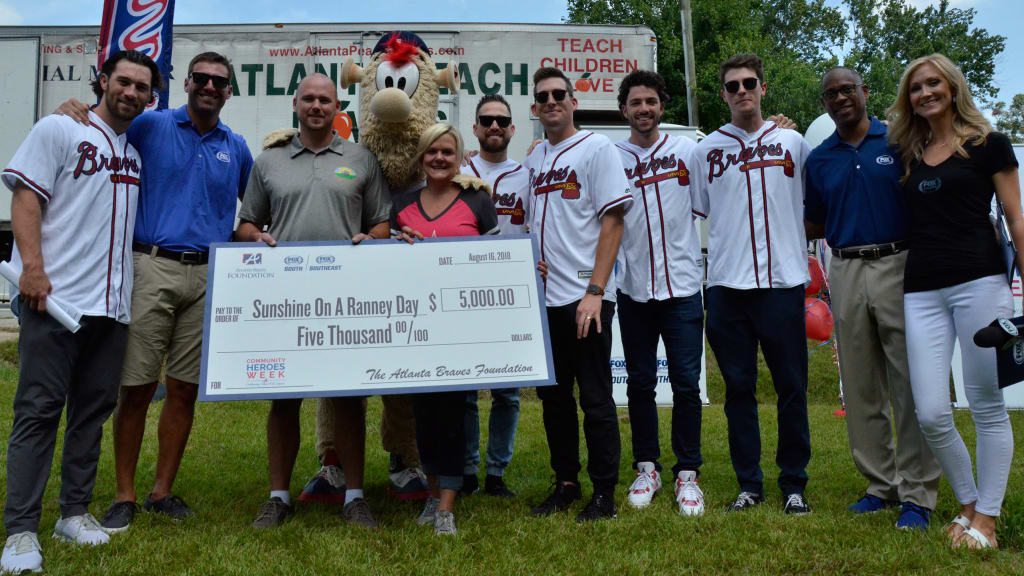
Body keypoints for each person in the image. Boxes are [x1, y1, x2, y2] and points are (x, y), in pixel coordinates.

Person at [57, 51, 254, 531]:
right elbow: (102, 130)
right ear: (185, 83)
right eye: (202, 78)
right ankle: (124, 494)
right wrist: (72, 111)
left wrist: (256, 235)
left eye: (219, 82)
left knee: (184, 389)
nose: (210, 87)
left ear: (229, 91)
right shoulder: (150, 126)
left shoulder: (238, 147)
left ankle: (162, 491)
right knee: (138, 387)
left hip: (208, 275)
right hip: (151, 267)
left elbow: (250, 212)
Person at [0, 50, 159, 574]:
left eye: (142, 87)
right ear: (102, 81)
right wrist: (32, 268)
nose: (131, 92)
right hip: (56, 301)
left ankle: (73, 512)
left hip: (111, 309)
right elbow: (26, 198)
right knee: (39, 414)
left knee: (91, 414)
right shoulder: (59, 128)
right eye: (124, 82)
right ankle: (21, 531)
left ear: (151, 98)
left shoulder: (132, 155)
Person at [236, 74, 390, 530]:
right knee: (283, 398)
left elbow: (381, 222)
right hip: (286, 297)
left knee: (347, 398)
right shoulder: (269, 161)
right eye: (309, 99)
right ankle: (278, 497)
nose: (317, 106)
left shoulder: (361, 158)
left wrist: (370, 237)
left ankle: (355, 496)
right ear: (296, 105)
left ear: (338, 105)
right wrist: (256, 236)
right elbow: (245, 223)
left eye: (325, 99)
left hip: (346, 298)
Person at [888, 53, 1024, 550]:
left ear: (952, 87)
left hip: (981, 283)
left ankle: (986, 518)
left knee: (986, 404)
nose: (925, 93)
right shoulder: (909, 152)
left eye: (933, 84)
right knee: (929, 411)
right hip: (920, 290)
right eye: (916, 87)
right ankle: (967, 502)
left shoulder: (990, 145)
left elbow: (1016, 219)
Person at [804, 66, 941, 530]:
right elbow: (815, 221)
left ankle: (918, 494)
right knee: (861, 385)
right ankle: (880, 485)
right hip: (843, 266)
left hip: (898, 263)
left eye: (847, 89)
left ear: (865, 92)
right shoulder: (820, 158)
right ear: (824, 103)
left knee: (908, 384)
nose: (840, 98)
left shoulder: (901, 140)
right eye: (830, 94)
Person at [691, 53, 812, 515]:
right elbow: (702, 206)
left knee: (792, 388)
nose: (742, 91)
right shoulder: (706, 150)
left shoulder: (793, 141)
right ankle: (749, 483)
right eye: (733, 85)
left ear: (763, 88)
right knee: (739, 390)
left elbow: (807, 200)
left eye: (749, 83)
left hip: (782, 282)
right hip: (726, 285)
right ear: (723, 94)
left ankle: (794, 483)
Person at [525, 67, 632, 522]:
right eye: (543, 97)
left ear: (573, 102)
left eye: (558, 94)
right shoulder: (534, 159)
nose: (551, 101)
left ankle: (604, 492)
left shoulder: (596, 148)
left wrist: (595, 291)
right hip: (546, 299)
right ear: (535, 109)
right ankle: (566, 482)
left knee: (595, 398)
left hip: (585, 298)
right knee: (554, 400)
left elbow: (614, 221)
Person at [392, 122, 499, 534]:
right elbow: (385, 261)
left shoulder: (477, 201)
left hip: (461, 329)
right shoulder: (400, 203)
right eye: (432, 151)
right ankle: (432, 493)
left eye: (447, 152)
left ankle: (446, 508)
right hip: (416, 328)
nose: (439, 158)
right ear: (421, 156)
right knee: (424, 413)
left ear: (459, 158)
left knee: (454, 412)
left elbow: (496, 258)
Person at [611, 70, 706, 515]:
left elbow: (717, 195)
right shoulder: (611, 156)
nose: (644, 108)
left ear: (661, 106)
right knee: (641, 384)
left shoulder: (688, 151)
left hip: (683, 287)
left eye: (651, 101)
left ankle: (688, 474)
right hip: (633, 288)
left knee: (687, 385)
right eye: (635, 102)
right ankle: (647, 467)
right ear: (623, 109)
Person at [459, 94, 528, 498]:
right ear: (476, 128)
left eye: (502, 120)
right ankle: (467, 469)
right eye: (487, 120)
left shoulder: (528, 172)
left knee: (508, 391)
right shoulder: (458, 169)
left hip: (512, 291)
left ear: (513, 129)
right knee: (466, 388)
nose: (495, 126)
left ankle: (497, 472)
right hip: (465, 289)